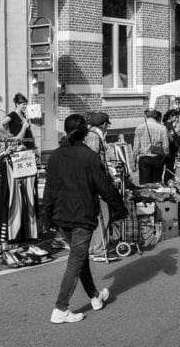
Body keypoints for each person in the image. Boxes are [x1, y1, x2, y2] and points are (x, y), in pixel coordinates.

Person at [42, 114, 127, 324]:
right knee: (76, 260)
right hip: (82, 215)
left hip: (62, 216)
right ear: (84, 132)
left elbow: (49, 190)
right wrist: (119, 208)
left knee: (80, 258)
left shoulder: (55, 156)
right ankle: (61, 308)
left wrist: (46, 216)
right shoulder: (89, 157)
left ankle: (95, 297)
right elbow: (104, 186)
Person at [85, 112, 116, 262]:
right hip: (97, 183)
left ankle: (93, 248)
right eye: (107, 125)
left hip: (94, 182)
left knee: (98, 215)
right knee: (103, 215)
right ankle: (98, 250)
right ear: (104, 125)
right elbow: (92, 160)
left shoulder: (93, 135)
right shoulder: (94, 137)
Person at [133, 109, 170, 184]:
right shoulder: (162, 128)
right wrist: (165, 155)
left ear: (145, 116)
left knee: (145, 184)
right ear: (155, 116)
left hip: (144, 158)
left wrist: (133, 160)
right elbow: (166, 147)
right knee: (156, 183)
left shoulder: (140, 128)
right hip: (158, 158)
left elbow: (136, 147)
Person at [162, 109, 180, 184]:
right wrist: (177, 148)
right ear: (171, 116)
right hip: (170, 151)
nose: (176, 119)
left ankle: (168, 181)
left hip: (171, 150)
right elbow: (171, 139)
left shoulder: (168, 125)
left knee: (170, 168)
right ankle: (168, 182)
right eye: (175, 117)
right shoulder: (168, 125)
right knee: (170, 168)